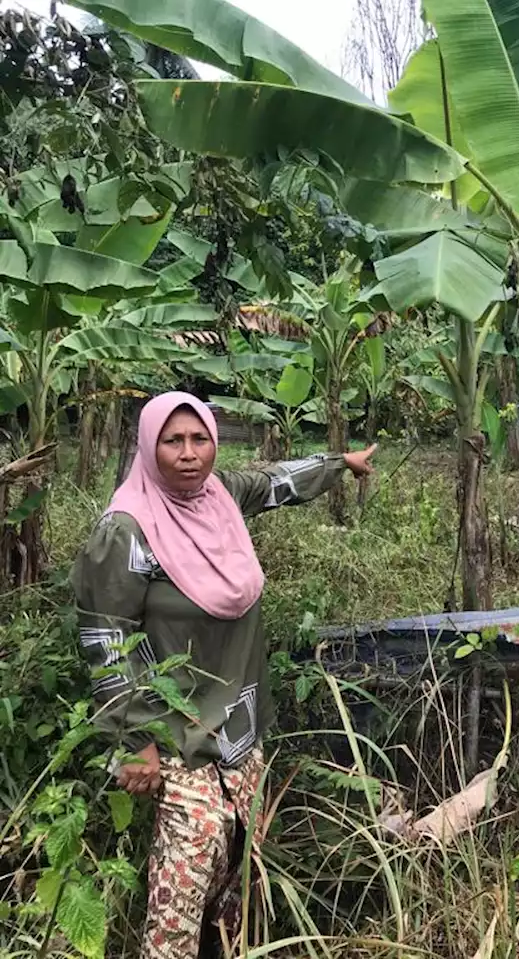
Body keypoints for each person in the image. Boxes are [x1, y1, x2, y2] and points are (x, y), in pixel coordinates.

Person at [71, 392, 376, 959]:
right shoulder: (126, 532)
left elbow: (276, 482)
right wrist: (136, 741)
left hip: (240, 724)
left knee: (239, 864)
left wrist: (340, 464)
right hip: (174, 730)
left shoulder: (221, 499)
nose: (189, 454)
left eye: (199, 439)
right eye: (172, 441)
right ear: (148, 446)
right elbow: (106, 642)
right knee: (184, 880)